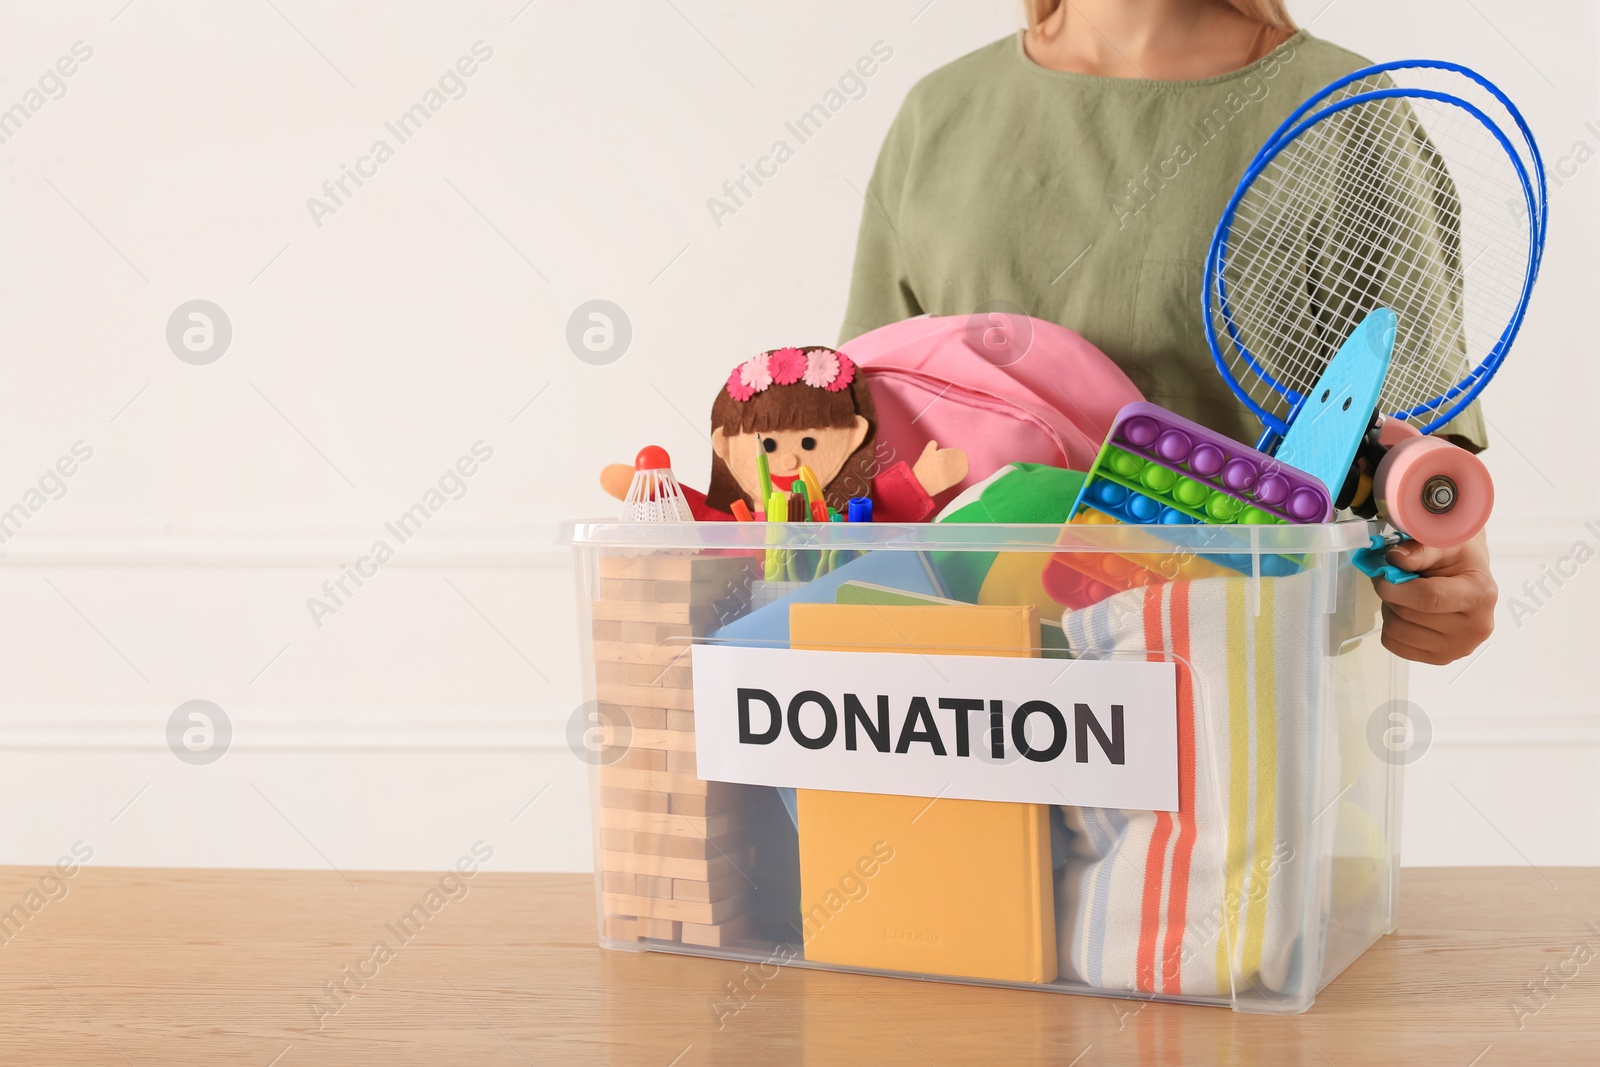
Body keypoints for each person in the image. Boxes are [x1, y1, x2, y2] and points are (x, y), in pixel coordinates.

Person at [839, 0, 1495, 665]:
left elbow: (1421, 476)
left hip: (1233, 696)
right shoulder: (939, 115)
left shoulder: (1344, 117)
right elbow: (849, 440)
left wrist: (1444, 578)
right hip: (961, 702)